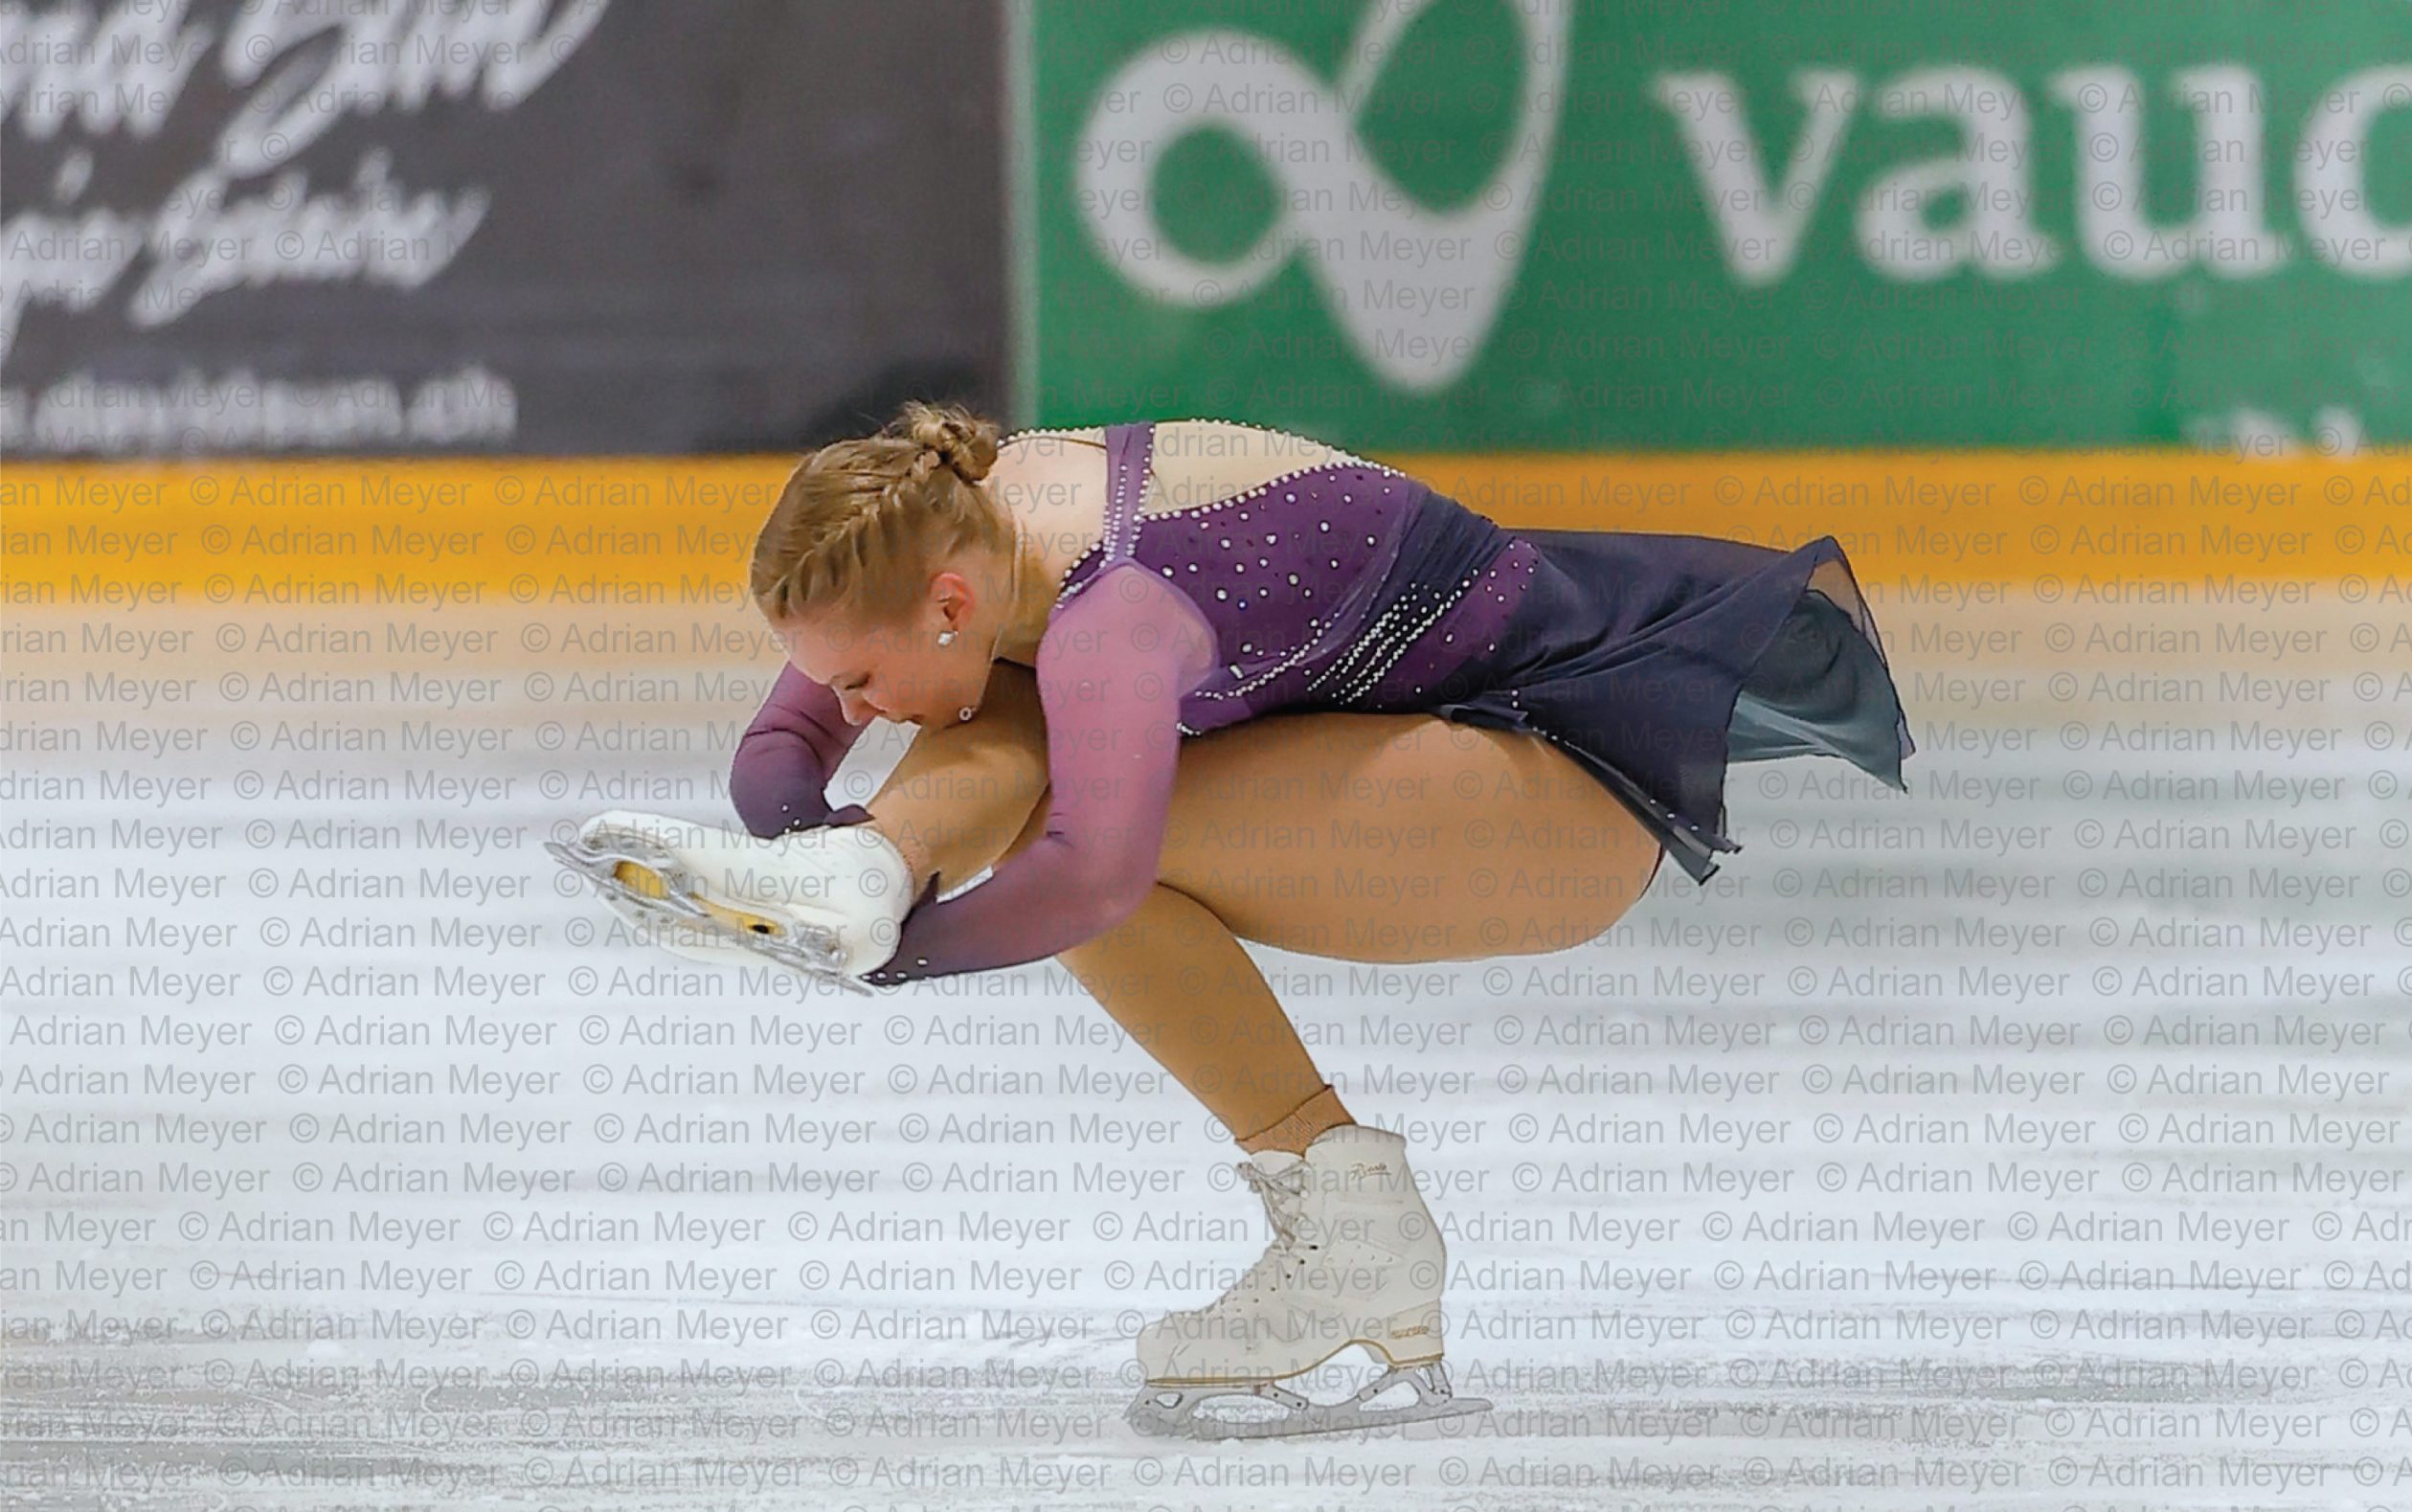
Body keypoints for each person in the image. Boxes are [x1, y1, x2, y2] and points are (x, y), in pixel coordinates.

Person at [556, 403, 1917, 1439]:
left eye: (864, 678)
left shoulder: (1113, 613)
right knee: (1005, 718)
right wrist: (812, 844)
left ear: (947, 603)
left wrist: (895, 955)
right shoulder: (962, 516)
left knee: (1061, 807)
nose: (858, 705)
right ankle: (879, 875)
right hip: (1417, 730)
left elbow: (1092, 881)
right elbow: (781, 739)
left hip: (1557, 781)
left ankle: (1349, 1218)